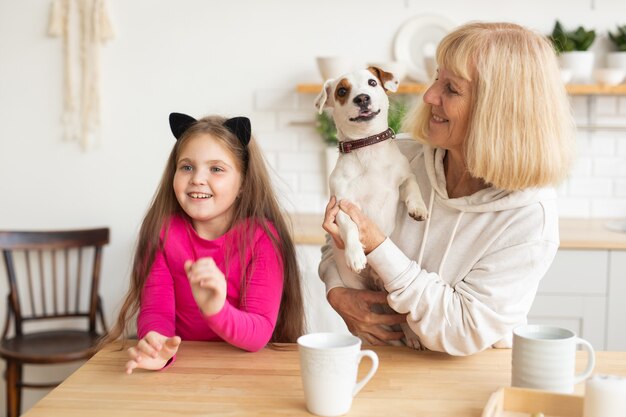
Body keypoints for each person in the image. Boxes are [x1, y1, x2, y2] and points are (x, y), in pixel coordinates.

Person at [319, 22, 575, 355]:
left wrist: (379, 248)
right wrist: (338, 291)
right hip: (384, 364)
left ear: (497, 111)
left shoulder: (528, 218)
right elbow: (335, 240)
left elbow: (464, 331)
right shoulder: (401, 156)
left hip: (471, 378)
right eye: (436, 78)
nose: (429, 95)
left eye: (451, 88)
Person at [106, 113, 305, 373]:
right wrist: (158, 347)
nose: (197, 178)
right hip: (185, 369)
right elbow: (157, 312)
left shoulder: (262, 238)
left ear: (243, 182)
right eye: (187, 167)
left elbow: (258, 333)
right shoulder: (162, 232)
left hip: (246, 369)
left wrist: (216, 309)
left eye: (216, 169)